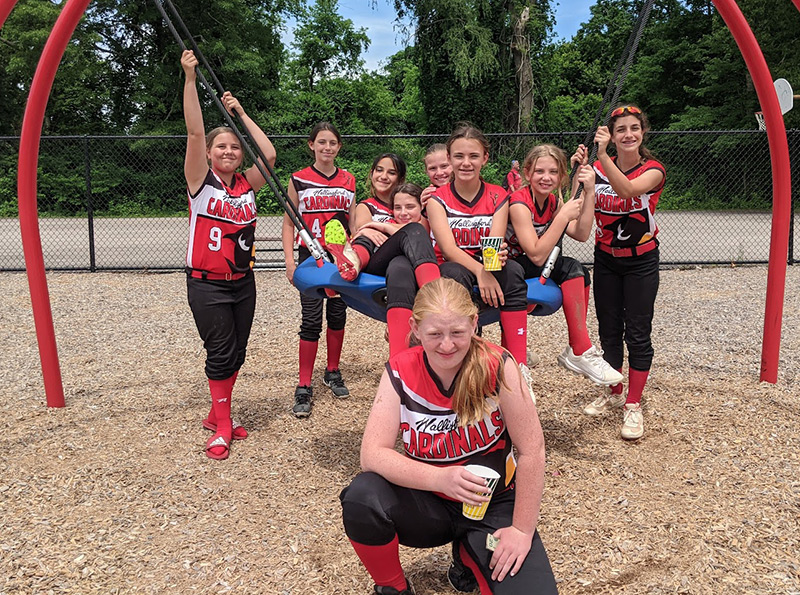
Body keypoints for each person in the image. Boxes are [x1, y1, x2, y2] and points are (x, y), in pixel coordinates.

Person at [339, 278, 558, 595]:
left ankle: (468, 554)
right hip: (430, 506)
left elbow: (532, 450)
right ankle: (393, 588)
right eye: (434, 334)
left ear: (474, 323)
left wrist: (522, 530)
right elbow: (372, 454)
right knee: (362, 497)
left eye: (457, 333)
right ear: (415, 328)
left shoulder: (498, 364)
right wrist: (440, 479)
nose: (446, 345)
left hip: (491, 507)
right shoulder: (400, 370)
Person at [181, 49, 276, 460]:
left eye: (235, 147)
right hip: (208, 285)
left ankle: (215, 413)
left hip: (243, 281)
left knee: (237, 352)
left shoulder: (245, 185)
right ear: (209, 153)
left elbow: (268, 155)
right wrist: (190, 79)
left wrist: (240, 114)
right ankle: (222, 425)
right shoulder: (200, 182)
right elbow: (195, 135)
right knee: (220, 353)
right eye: (221, 146)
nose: (228, 151)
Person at [507, 144, 623, 387]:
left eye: (553, 172)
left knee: (577, 270)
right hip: (510, 267)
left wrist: (589, 193)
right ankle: (516, 357)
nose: (546, 177)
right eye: (539, 171)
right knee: (561, 267)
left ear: (561, 176)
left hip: (529, 263)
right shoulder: (519, 203)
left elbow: (581, 233)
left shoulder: (551, 202)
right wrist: (561, 217)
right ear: (527, 173)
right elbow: (536, 255)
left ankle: (578, 348)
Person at [426, 123, 531, 380]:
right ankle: (460, 363)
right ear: (449, 158)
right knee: (452, 273)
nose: (466, 163)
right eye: (459, 156)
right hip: (456, 267)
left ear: (485, 158)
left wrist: (489, 269)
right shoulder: (437, 199)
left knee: (513, 270)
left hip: (487, 263)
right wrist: (481, 272)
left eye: (473, 156)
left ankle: (517, 368)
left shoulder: (497, 195)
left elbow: (493, 245)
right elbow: (449, 249)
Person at [585, 104, 665, 440]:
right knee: (608, 329)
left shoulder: (653, 169)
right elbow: (578, 207)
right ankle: (615, 392)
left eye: (634, 128)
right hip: (606, 257)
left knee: (638, 331)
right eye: (621, 129)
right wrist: (580, 171)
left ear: (642, 132)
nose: (628, 134)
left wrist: (602, 155)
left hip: (640, 260)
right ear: (612, 135)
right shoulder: (596, 167)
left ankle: (634, 403)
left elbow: (628, 190)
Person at [325, 165, 441, 358]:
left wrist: (381, 226)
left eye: (410, 207)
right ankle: (353, 261)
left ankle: (397, 361)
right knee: (368, 236)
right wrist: (371, 229)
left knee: (400, 265)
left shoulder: (423, 223)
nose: (403, 213)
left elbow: (415, 232)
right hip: (376, 267)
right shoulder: (386, 219)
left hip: (401, 273)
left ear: (421, 207)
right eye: (397, 208)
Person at [282, 122, 357, 418]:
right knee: (311, 318)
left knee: (337, 314)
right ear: (311, 144)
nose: (327, 147)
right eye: (322, 142)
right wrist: (290, 262)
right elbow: (289, 223)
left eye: (332, 143)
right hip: (311, 256)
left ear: (339, 147)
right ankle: (304, 384)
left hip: (339, 256)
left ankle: (332, 371)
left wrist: (355, 256)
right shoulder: (299, 178)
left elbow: (353, 223)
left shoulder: (348, 179)